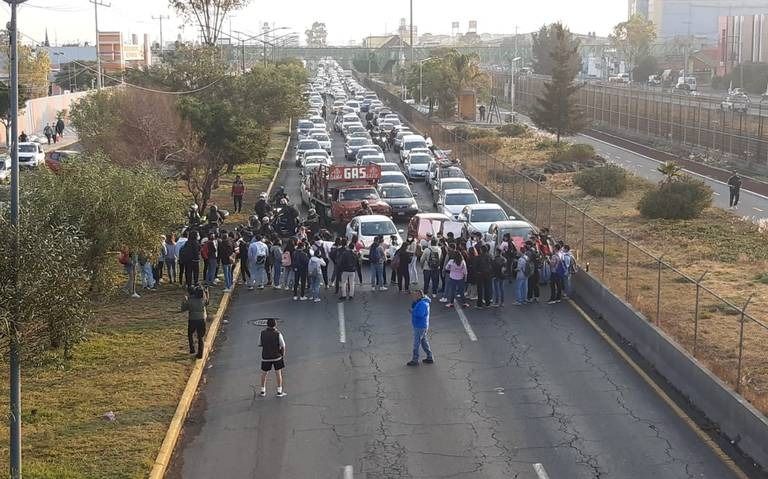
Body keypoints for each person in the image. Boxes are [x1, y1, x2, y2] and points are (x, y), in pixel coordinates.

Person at [258, 318, 287, 398]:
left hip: (265, 357)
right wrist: (282, 354)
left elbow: (260, 344)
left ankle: (263, 390)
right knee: (278, 373)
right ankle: (279, 391)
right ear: (275, 325)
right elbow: (283, 345)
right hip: (277, 356)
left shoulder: (262, 333)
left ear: (267, 324)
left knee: (264, 373)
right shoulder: (278, 334)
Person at [407, 290, 434, 366]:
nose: (413, 297)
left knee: (416, 343)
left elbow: (420, 314)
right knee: (424, 342)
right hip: (421, 326)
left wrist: (412, 311)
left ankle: (415, 360)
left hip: (420, 326)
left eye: (414, 296)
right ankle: (430, 357)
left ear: (418, 296)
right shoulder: (421, 302)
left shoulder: (422, 304)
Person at [181, 284, 209, 359]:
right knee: (201, 337)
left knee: (190, 334)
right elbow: (207, 302)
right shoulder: (202, 300)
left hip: (192, 320)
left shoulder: (190, 301)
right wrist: (207, 292)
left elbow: (183, 308)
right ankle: (200, 354)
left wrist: (184, 300)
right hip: (201, 320)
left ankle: (192, 349)